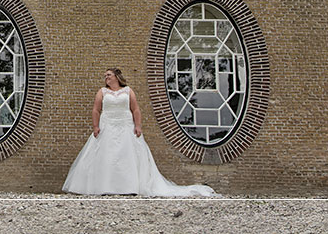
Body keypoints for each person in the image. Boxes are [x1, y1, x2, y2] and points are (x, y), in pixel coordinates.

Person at [62, 68, 215, 196]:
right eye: (105, 76)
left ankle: (129, 187)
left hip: (125, 125)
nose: (106, 77)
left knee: (127, 155)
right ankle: (104, 186)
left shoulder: (128, 91)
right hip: (107, 125)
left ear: (116, 76)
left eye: (108, 75)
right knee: (106, 155)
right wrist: (95, 127)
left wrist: (138, 126)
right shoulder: (102, 92)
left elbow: (135, 109)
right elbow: (96, 109)